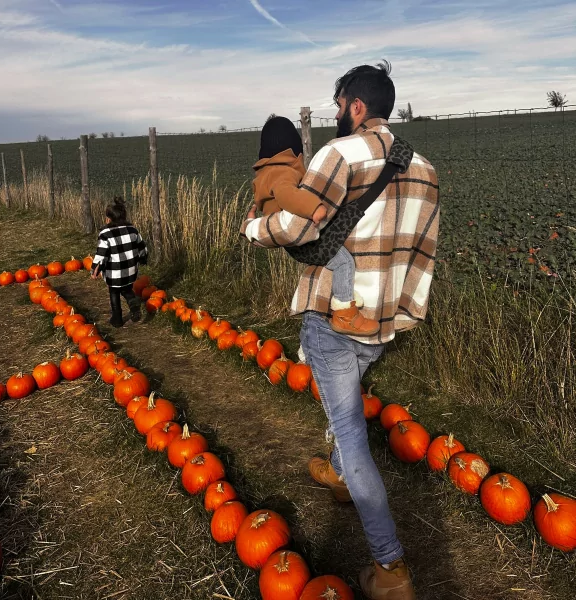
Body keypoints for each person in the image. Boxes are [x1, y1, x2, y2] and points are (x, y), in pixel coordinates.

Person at [241, 62, 439, 600]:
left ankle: (391, 568)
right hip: (383, 321)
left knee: (351, 430)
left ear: (355, 105)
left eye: (337, 103)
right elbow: (423, 253)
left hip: (334, 317)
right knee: (345, 404)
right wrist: (400, 311)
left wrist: (254, 228)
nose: (333, 114)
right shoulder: (424, 168)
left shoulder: (338, 154)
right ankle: (338, 477)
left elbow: (299, 225)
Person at [252, 116, 380, 335]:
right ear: (295, 152)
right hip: (300, 238)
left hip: (287, 239)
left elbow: (266, 202)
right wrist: (314, 208)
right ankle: (344, 314)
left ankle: (344, 294)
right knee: (343, 262)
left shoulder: (265, 173)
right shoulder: (284, 172)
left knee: (338, 257)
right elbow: (287, 195)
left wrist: (251, 221)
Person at [90, 196, 147, 327]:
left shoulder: (105, 233)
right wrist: (143, 258)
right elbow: (142, 247)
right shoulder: (133, 230)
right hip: (131, 270)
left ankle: (117, 318)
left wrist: (95, 269)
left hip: (115, 273)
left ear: (108, 219)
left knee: (114, 292)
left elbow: (101, 254)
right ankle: (133, 302)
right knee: (127, 288)